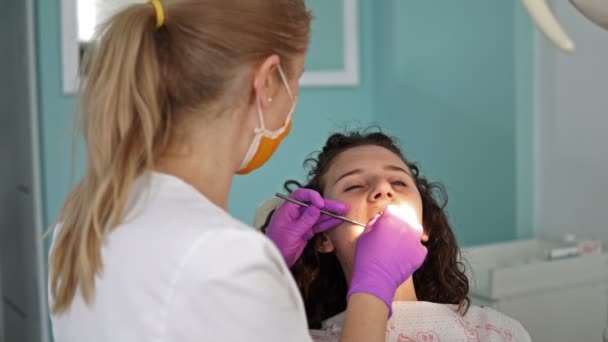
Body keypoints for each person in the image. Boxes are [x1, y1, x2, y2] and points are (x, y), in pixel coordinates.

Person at [47, 1, 423, 341]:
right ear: (267, 82)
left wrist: (273, 260)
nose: (381, 192)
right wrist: (372, 289)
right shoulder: (225, 259)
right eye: (297, 80)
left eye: (397, 180)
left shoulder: (87, 218)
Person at [260, 130, 532, 341]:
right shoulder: (298, 337)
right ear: (323, 238)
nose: (382, 189)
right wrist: (271, 264)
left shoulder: (495, 333)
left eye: (398, 182)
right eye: (354, 185)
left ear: (424, 227)